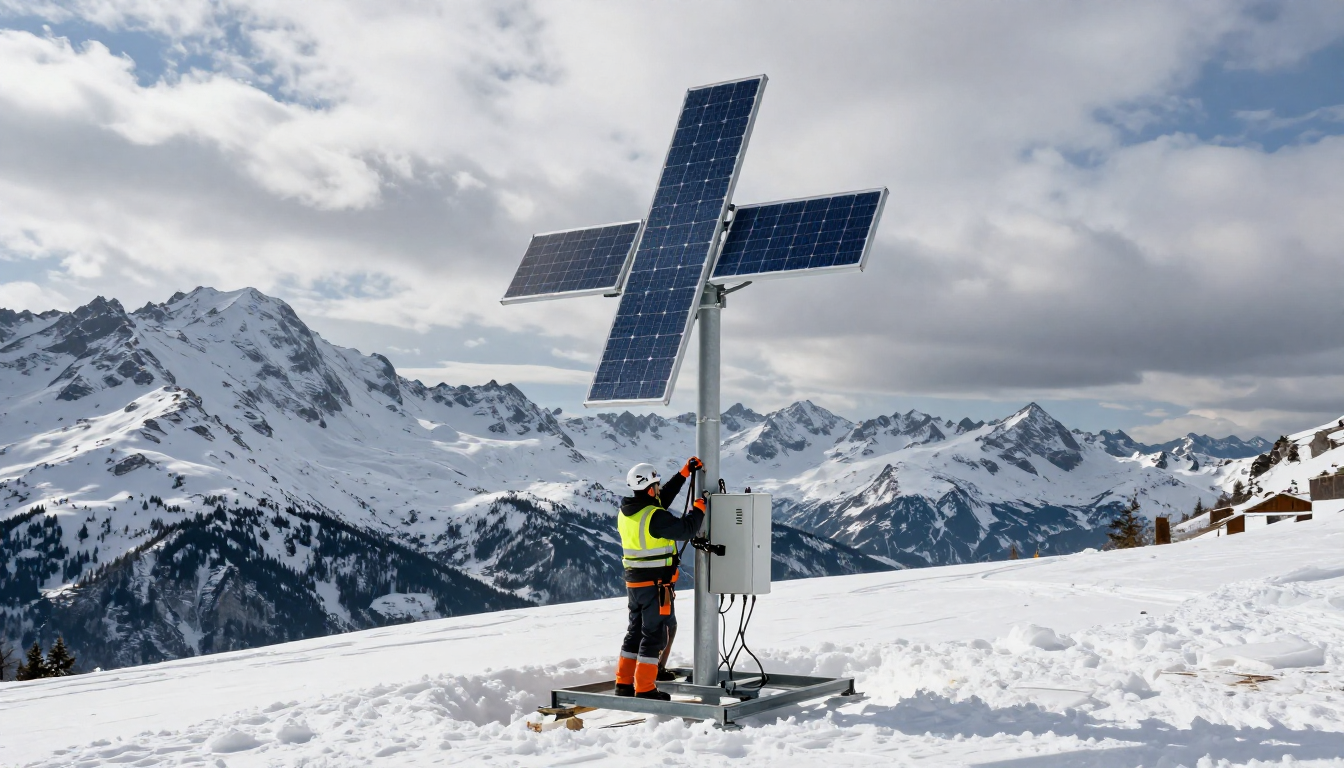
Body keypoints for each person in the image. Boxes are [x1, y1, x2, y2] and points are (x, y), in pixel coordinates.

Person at [614, 456, 706, 700]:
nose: (658, 489)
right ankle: (645, 688)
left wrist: (684, 474)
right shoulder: (654, 517)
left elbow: (661, 499)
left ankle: (623, 684)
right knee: (655, 633)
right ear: (649, 488)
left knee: (635, 631)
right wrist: (699, 510)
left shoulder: (629, 512)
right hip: (656, 584)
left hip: (635, 584)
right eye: (656, 485)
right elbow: (686, 529)